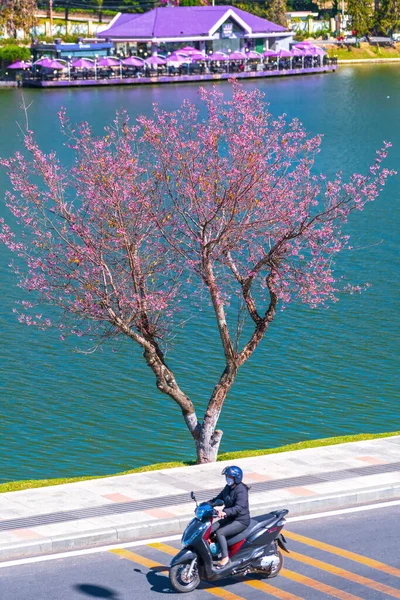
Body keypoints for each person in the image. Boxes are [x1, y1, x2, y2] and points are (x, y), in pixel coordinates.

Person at [209, 465, 250, 568]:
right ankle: (211, 554)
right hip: (229, 517)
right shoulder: (228, 488)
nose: (227, 479)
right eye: (227, 476)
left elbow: (238, 508)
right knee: (209, 529)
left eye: (229, 477)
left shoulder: (241, 491)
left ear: (236, 478)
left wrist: (225, 512)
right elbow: (218, 499)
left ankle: (225, 558)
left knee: (220, 532)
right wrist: (206, 505)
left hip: (240, 520)